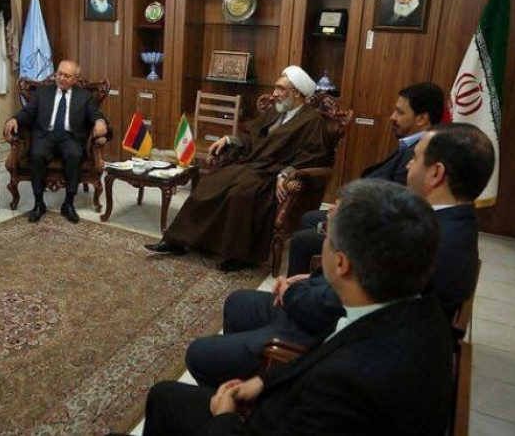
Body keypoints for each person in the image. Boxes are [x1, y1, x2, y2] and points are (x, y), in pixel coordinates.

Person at [185, 123, 493, 389]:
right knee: (238, 302)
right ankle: (242, 369)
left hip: (324, 334)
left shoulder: (435, 239)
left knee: (199, 354)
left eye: (415, 158)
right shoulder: (452, 222)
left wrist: (294, 292)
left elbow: (352, 303)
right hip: (336, 309)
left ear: (436, 173)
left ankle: (237, 398)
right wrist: (312, 278)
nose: (409, 165)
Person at [136, 179, 454, 436]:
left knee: (165, 398)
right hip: (284, 402)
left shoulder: (346, 383)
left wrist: (225, 417)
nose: (320, 239)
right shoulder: (421, 314)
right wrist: (264, 382)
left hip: (265, 422)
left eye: (325, 234)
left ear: (341, 263)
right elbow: (324, 350)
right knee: (167, 396)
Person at [145, 65, 331, 272]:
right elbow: (250, 134)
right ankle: (177, 241)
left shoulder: (311, 120)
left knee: (240, 194)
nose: (274, 94)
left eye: (280, 89)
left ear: (296, 93)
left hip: (271, 172)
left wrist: (287, 172)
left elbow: (314, 156)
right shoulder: (276, 111)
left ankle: (239, 255)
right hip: (252, 164)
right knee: (209, 185)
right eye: (275, 88)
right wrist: (229, 139)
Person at [287, 82, 444, 276]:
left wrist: (348, 211)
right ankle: (323, 277)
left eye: (400, 112)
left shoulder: (420, 153)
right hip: (369, 213)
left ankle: (313, 287)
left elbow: (396, 203)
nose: (392, 117)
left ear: (422, 118)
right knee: (310, 219)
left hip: (375, 229)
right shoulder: (411, 143)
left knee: (301, 241)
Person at [3, 60, 107, 224]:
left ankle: (68, 203)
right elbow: (28, 112)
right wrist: (15, 119)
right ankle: (39, 203)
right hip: (46, 136)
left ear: (75, 78)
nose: (62, 78)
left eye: (67, 76)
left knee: (75, 155)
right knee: (36, 154)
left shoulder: (84, 96)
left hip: (70, 137)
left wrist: (100, 122)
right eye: (60, 74)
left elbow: (95, 114)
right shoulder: (43, 92)